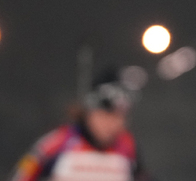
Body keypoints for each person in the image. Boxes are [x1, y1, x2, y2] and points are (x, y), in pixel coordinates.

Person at [9, 68, 155, 181]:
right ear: (90, 112)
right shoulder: (58, 141)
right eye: (106, 116)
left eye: (120, 117)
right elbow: (21, 175)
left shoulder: (126, 144)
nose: (112, 124)